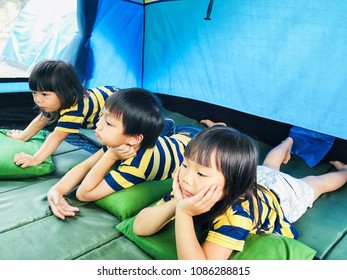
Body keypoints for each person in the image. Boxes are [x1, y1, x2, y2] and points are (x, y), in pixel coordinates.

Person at [133, 125, 347, 260]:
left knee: (317, 183)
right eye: (186, 165)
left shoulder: (236, 215)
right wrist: (176, 204)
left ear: (230, 183)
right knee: (270, 166)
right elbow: (139, 227)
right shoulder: (191, 189)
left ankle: (345, 170)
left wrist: (184, 213)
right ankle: (288, 141)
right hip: (256, 178)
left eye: (201, 173)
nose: (187, 177)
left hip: (283, 196)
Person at [47, 88, 201, 220]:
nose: (98, 125)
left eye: (108, 123)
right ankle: (166, 126)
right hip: (167, 141)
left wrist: (110, 156)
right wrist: (56, 190)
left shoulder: (137, 166)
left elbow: (84, 194)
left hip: (191, 142)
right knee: (164, 129)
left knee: (193, 131)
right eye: (102, 116)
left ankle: (214, 125)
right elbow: (86, 165)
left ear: (134, 138)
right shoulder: (120, 141)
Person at [6, 59, 118, 168]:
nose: (38, 99)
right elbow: (42, 119)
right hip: (108, 95)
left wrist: (35, 159)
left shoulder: (75, 109)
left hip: (118, 108)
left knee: (113, 139)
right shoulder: (58, 101)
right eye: (34, 93)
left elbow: (58, 135)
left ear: (65, 92)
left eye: (44, 94)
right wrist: (22, 137)